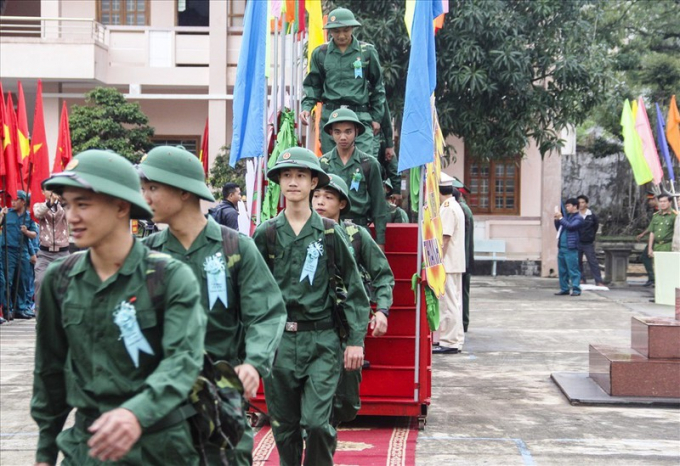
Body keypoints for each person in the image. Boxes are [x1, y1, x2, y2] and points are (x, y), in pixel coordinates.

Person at [31, 150, 207, 466]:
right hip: (87, 447)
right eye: (69, 205)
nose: (72, 217)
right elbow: (49, 373)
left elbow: (182, 361)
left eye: (83, 204)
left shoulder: (170, 277)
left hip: (159, 447)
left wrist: (134, 413)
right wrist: (45, 452)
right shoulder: (60, 279)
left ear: (121, 207)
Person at [138, 145, 287, 465]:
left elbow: (266, 312)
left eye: (152, 187)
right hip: (160, 398)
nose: (144, 196)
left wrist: (253, 363)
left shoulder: (236, 247)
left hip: (220, 397)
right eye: (143, 188)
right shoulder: (144, 255)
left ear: (183, 192)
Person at [253, 147, 369, 466]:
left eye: (301, 175)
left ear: (313, 182)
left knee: (318, 425)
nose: (293, 182)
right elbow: (249, 291)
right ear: (278, 181)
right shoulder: (266, 233)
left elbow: (356, 289)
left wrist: (356, 340)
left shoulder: (329, 232)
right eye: (287, 175)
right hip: (279, 343)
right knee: (284, 429)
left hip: (322, 340)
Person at [312, 173, 394, 425]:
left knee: (347, 400)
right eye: (316, 196)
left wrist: (382, 310)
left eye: (328, 196)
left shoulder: (356, 235)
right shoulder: (301, 233)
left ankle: (328, 426)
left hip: (347, 323)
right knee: (311, 398)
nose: (320, 202)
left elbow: (383, 275)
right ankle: (317, 434)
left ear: (342, 203)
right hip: (311, 323)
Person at [300, 7, 386, 155]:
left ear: (352, 28)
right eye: (336, 31)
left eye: (346, 30)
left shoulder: (366, 52)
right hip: (331, 118)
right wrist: (307, 107)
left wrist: (377, 117)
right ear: (330, 31)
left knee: (364, 164)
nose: (341, 35)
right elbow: (313, 84)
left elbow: (378, 86)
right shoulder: (321, 54)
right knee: (332, 166)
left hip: (360, 117)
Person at [320, 108, 388, 249]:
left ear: (356, 131)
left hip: (359, 230)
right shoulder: (322, 164)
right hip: (328, 229)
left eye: (348, 131)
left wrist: (380, 241)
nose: (343, 137)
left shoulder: (369, 164)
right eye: (337, 132)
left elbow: (379, 205)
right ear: (331, 133)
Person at [434, 182, 466, 354]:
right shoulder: (455, 205)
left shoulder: (446, 207)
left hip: (447, 262)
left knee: (448, 304)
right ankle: (456, 339)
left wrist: (436, 261)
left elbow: (444, 238)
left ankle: (449, 341)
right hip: (454, 261)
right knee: (454, 302)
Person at [0, 190, 39, 320]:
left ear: (23, 201)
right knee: (8, 281)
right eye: (12, 200)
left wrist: (26, 231)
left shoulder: (28, 216)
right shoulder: (7, 214)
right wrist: (1, 215)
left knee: (22, 280)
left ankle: (20, 309)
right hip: (8, 251)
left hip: (22, 251)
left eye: (16, 200)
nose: (13, 202)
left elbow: (34, 234)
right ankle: (7, 309)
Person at [33, 181, 70, 314]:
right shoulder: (39, 206)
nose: (52, 193)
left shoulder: (64, 207)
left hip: (63, 253)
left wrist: (62, 201)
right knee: (40, 282)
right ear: (43, 192)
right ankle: (40, 319)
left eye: (54, 190)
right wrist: (50, 203)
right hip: (45, 254)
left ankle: (63, 319)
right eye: (49, 190)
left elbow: (71, 215)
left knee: (65, 286)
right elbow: (38, 214)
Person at [452, 177, 474, 333]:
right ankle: (463, 321)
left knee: (461, 293)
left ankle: (463, 321)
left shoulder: (461, 209)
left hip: (462, 258)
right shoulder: (463, 209)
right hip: (464, 258)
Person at [554, 198, 584, 296]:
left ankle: (576, 289)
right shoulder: (567, 217)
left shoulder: (578, 218)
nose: (567, 208)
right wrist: (557, 220)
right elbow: (560, 228)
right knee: (562, 270)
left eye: (568, 206)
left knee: (573, 269)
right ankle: (564, 288)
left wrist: (561, 218)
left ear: (575, 206)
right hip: (562, 247)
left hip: (571, 247)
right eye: (566, 206)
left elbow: (571, 226)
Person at [576, 195, 604, 287]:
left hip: (588, 242)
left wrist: (590, 236)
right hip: (577, 242)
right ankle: (581, 279)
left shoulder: (592, 215)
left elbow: (595, 227)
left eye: (583, 202)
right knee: (577, 262)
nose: (581, 204)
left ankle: (598, 281)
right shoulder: (575, 215)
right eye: (579, 202)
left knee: (593, 262)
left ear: (586, 204)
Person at [646, 194, 677, 266]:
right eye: (660, 202)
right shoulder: (656, 215)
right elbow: (652, 232)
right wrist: (650, 248)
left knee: (668, 268)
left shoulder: (675, 216)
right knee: (658, 269)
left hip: (669, 246)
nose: (662, 203)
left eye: (664, 201)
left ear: (670, 202)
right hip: (657, 246)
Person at [637, 194, 659, 287]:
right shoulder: (655, 212)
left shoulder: (663, 212)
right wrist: (643, 234)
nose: (649, 202)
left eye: (651, 200)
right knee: (645, 257)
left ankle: (653, 278)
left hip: (663, 240)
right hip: (654, 238)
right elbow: (652, 226)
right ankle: (652, 278)